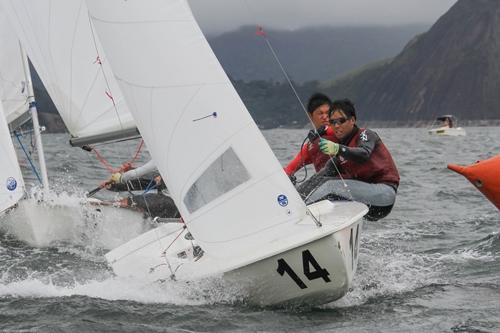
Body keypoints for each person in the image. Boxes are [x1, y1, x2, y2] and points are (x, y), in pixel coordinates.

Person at [298, 98, 400, 220]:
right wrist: (296, 195)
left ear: (352, 120)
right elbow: (320, 177)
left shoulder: (365, 134)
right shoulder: (340, 155)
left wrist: (337, 148)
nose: (336, 126)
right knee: (320, 180)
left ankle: (297, 216)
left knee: (330, 186)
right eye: (333, 122)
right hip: (363, 196)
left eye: (341, 121)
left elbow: (363, 154)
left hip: (384, 195)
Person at [283, 93, 336, 178]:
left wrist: (324, 130)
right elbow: (289, 169)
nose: (325, 116)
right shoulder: (309, 147)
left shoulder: (341, 132)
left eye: (328, 113)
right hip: (328, 186)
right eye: (320, 113)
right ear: (311, 116)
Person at [106, 160, 180, 219]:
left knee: (125, 202)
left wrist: (120, 178)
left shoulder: (163, 158)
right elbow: (146, 182)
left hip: (168, 203)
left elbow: (133, 175)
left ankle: (105, 210)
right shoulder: (177, 164)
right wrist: (114, 186)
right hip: (180, 212)